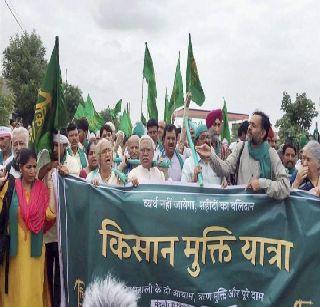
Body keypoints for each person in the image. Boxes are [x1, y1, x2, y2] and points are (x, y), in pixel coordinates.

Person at [0, 148, 56, 306]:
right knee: (15, 292)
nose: (32, 171)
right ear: (20, 167)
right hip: (13, 254)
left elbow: (50, 214)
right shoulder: (10, 187)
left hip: (34, 255)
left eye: (34, 167)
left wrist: (50, 186)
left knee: (32, 292)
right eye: (28, 167)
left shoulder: (41, 190)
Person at [197, 111, 290, 200]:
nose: (249, 127)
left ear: (262, 133)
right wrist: (211, 156)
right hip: (242, 210)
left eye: (253, 125)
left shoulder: (271, 154)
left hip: (264, 214)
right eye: (250, 124)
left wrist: (262, 184)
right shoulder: (241, 147)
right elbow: (225, 169)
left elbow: (285, 187)